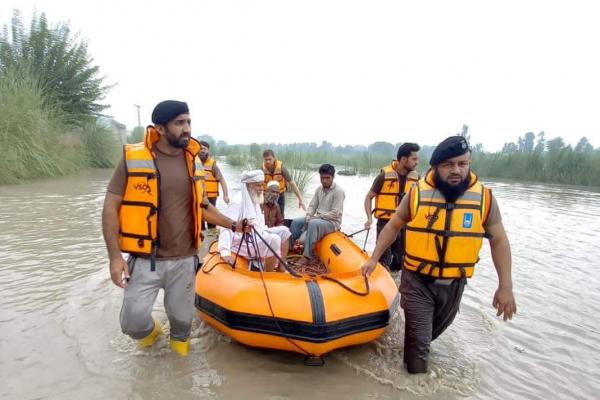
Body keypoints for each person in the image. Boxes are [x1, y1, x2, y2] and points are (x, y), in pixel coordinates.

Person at [102, 100, 250, 357]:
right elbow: (110, 207)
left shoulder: (194, 163)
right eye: (179, 123)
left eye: (189, 121)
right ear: (159, 128)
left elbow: (203, 207)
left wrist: (234, 225)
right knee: (132, 323)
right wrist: (115, 257)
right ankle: (152, 335)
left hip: (184, 260)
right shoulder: (133, 159)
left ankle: (180, 376)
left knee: (182, 326)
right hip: (146, 259)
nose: (187, 128)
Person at [361, 136, 517, 374]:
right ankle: (413, 380)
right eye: (449, 164)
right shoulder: (417, 194)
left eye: (462, 164)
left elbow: (499, 240)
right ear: (435, 167)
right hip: (417, 281)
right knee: (419, 354)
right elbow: (392, 226)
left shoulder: (484, 199)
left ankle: (410, 350)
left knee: (426, 338)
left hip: (454, 285)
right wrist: (374, 259)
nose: (457, 170)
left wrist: (505, 286)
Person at [218, 170, 292, 272]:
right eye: (258, 185)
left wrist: (265, 232)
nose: (262, 189)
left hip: (258, 233)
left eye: (262, 185)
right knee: (274, 239)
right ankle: (268, 274)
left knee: (285, 231)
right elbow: (226, 226)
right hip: (240, 242)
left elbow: (259, 224)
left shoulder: (254, 198)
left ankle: (281, 266)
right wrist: (225, 251)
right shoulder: (237, 202)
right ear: (248, 186)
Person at [364, 143, 420, 271]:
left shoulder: (417, 179)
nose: (417, 162)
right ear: (403, 159)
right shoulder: (384, 176)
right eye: (414, 159)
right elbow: (369, 197)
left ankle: (395, 285)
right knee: (384, 260)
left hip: (405, 225)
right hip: (385, 223)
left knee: (400, 262)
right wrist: (369, 218)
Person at [290, 164, 345, 259]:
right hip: (317, 219)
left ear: (333, 177)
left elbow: (335, 213)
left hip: (331, 222)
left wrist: (317, 217)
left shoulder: (339, 191)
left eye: (327, 178)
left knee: (313, 223)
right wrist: (308, 215)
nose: (324, 180)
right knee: (295, 222)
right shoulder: (319, 189)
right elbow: (312, 206)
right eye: (322, 178)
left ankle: (307, 256)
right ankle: (291, 249)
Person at [261, 149, 306, 216]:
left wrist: (300, 199)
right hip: (266, 195)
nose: (267, 162)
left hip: (279, 195)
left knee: (280, 214)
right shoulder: (261, 169)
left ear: (274, 158)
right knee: (265, 214)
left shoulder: (281, 168)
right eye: (266, 159)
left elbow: (292, 183)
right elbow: (257, 185)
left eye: (270, 159)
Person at [199, 140, 230, 229]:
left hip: (211, 198)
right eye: (200, 148)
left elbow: (222, 180)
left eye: (204, 149)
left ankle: (213, 239)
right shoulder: (194, 163)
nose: (202, 150)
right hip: (198, 197)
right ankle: (202, 240)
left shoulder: (213, 165)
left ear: (208, 151)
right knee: (199, 220)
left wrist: (226, 195)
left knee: (211, 220)